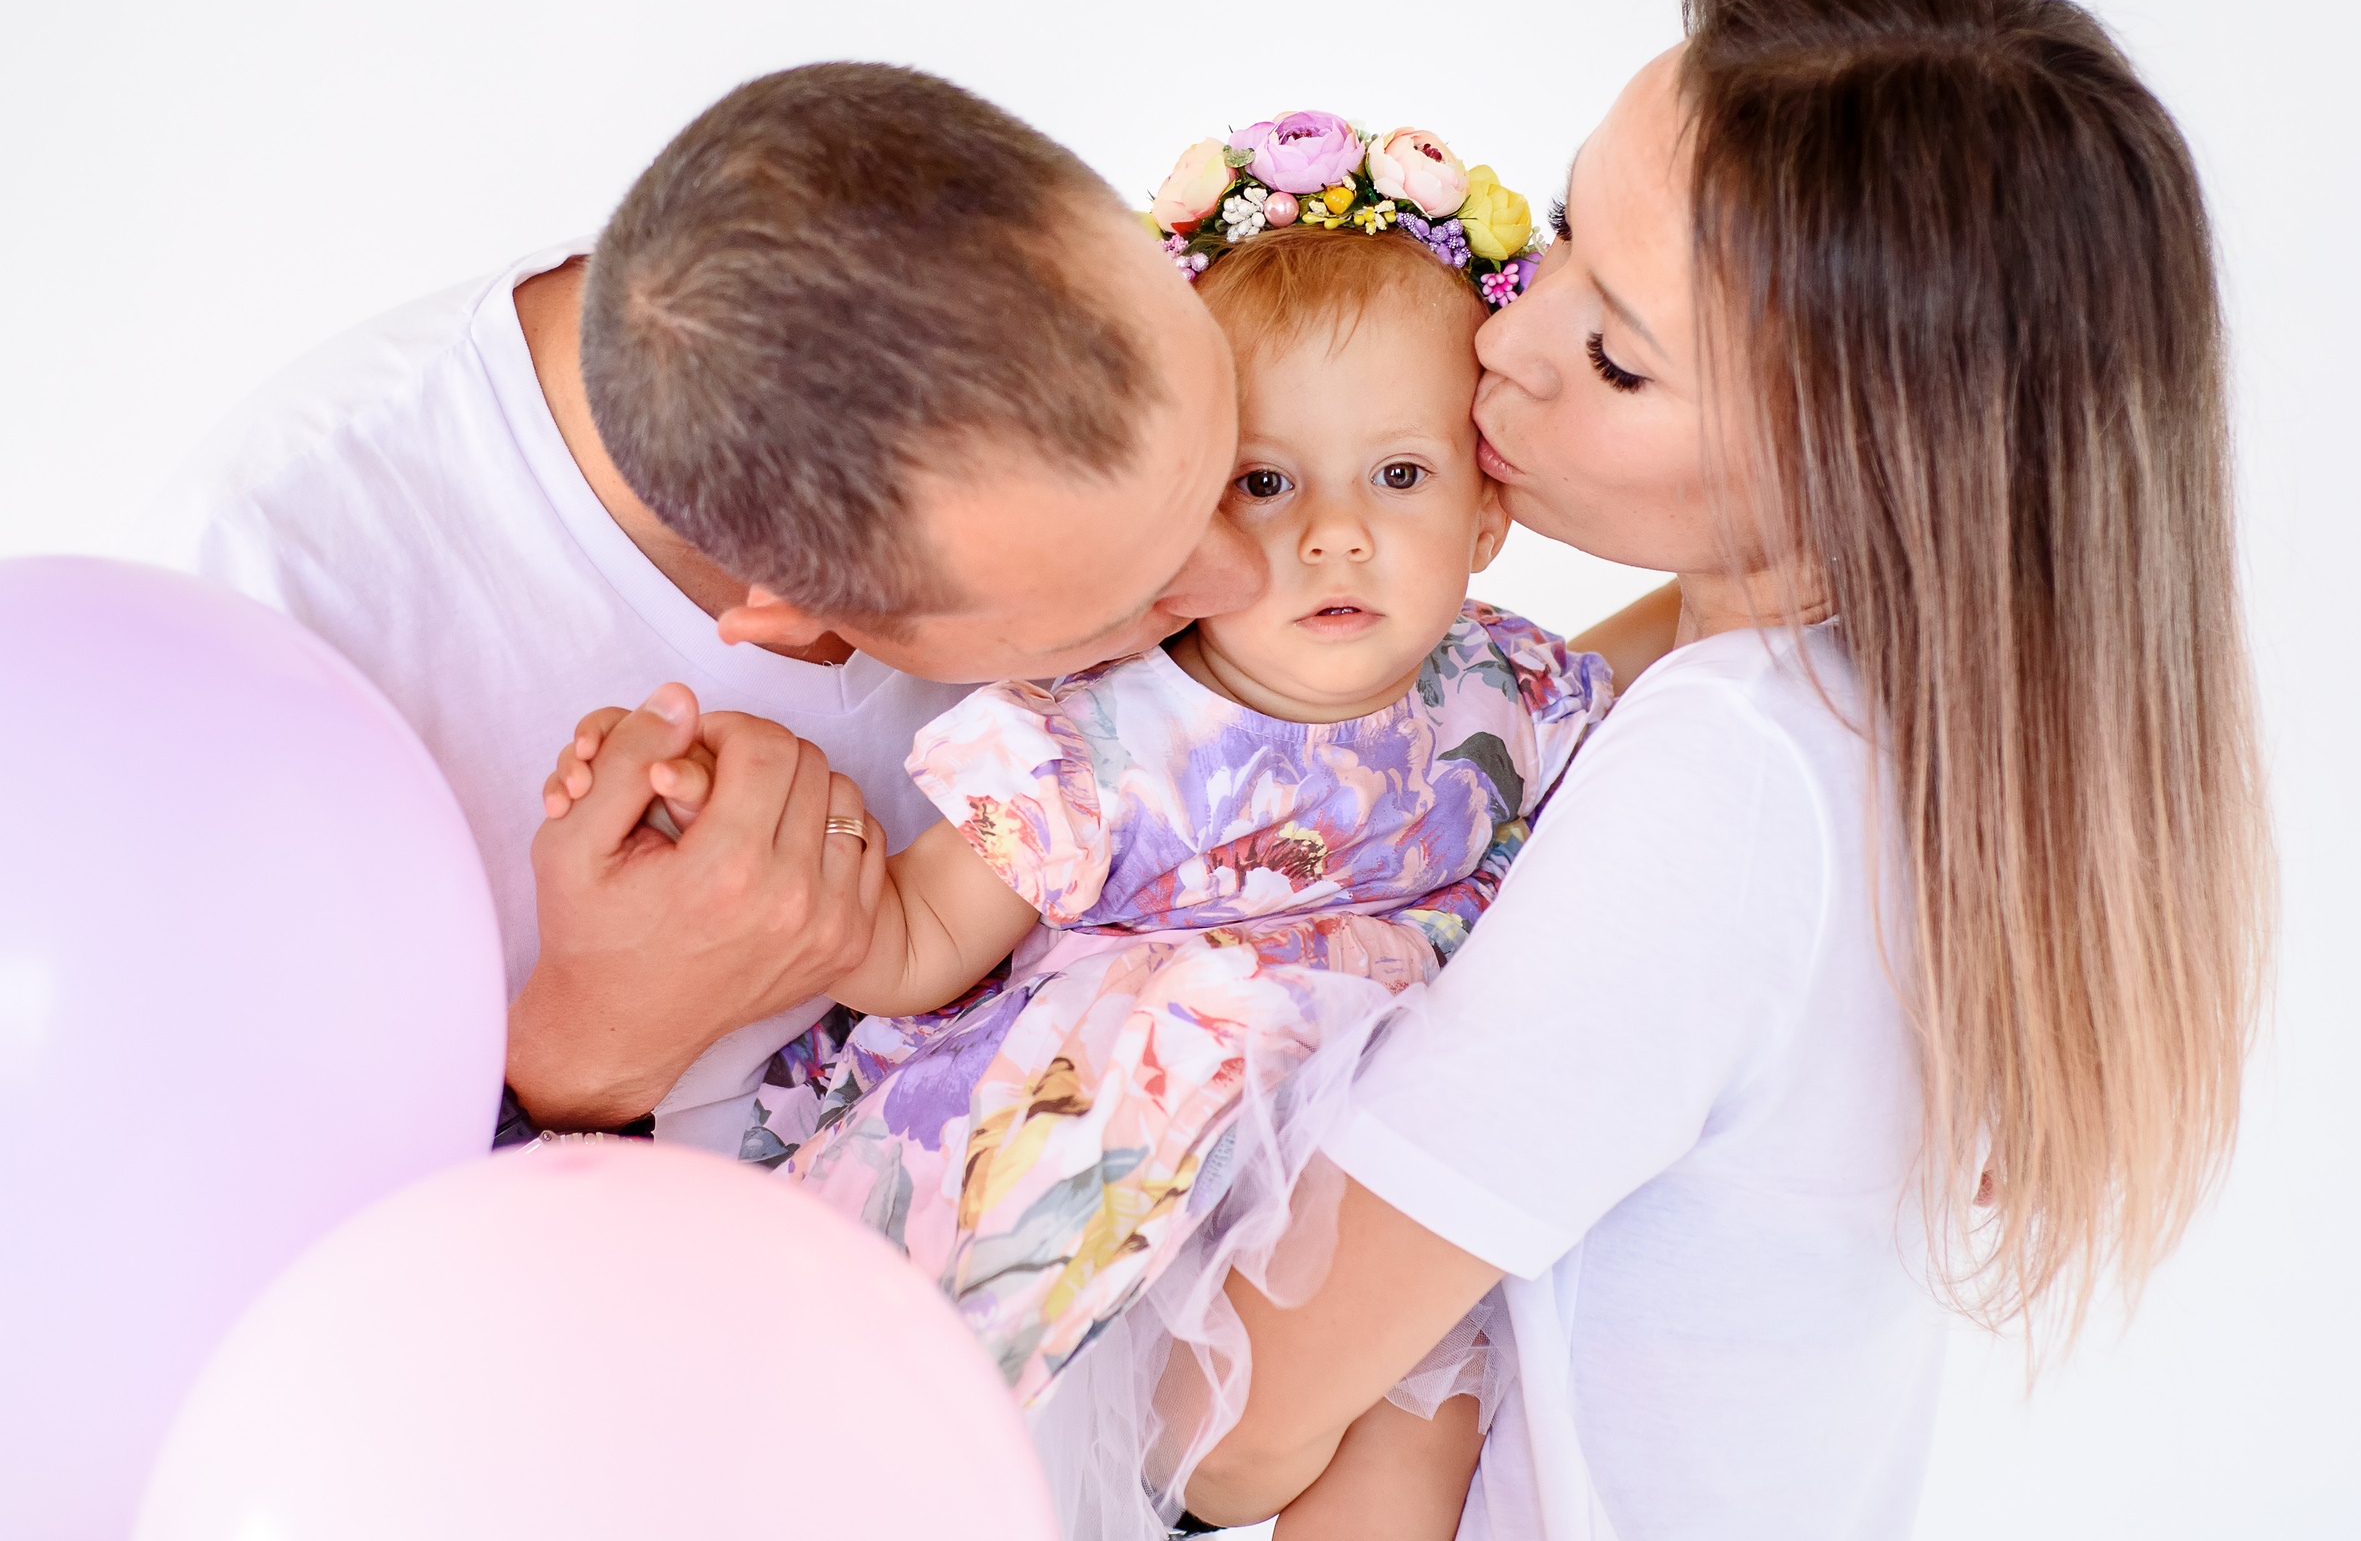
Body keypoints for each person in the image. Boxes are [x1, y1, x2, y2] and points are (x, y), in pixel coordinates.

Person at [1163, 0, 2274, 1539]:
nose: (1507, 340)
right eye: (1556, 237)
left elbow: (1228, 1421)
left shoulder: (1734, 777)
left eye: (1621, 359)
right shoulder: (1896, 730)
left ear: (1871, 468)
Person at [545, 189, 1607, 1539]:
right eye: (1266, 483)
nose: (1333, 532)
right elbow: (921, 941)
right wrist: (720, 803)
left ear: (1488, 516)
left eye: (1399, 476)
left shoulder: (1514, 689)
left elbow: (1664, 769)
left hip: (1369, 1174)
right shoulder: (1106, 732)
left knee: (1424, 1409)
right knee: (980, 1465)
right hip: (1129, 1181)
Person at [138, 63, 1261, 1148]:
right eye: (1136, 597)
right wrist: (593, 1047)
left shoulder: (999, 320)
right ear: (788, 613)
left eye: (1240, 474)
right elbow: (223, 1235)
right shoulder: (261, 609)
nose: (1245, 578)